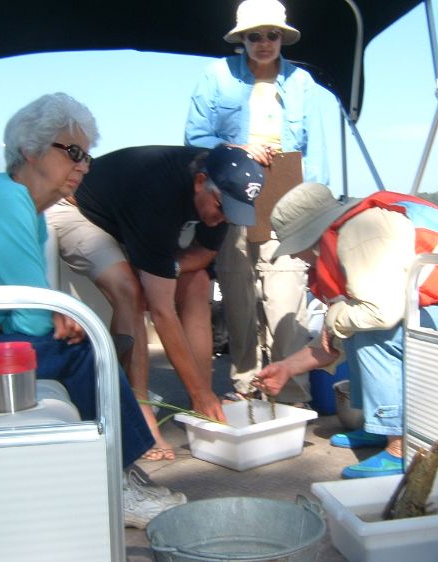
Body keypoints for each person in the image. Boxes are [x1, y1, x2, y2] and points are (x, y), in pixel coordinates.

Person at [0, 93, 184, 528]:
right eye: (74, 151)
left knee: (85, 345)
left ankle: (119, 471)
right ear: (31, 149)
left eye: (88, 157)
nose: (83, 165)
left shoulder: (19, 206)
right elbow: (32, 319)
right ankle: (116, 487)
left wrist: (56, 318)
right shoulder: (6, 203)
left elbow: (28, 308)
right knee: (88, 353)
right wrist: (59, 320)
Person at [254, 182, 438, 478]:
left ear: (310, 233)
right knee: (355, 323)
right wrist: (285, 368)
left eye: (295, 247)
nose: (296, 257)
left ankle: (399, 449)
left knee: (374, 329)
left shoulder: (360, 232)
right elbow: (334, 339)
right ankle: (378, 425)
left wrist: (334, 317)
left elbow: (381, 315)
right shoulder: (349, 231)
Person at [46, 144, 264, 458]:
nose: (224, 218)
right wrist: (156, 273)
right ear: (200, 181)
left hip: (130, 220)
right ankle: (138, 411)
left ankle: (201, 403)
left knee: (198, 282)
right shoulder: (158, 193)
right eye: (221, 207)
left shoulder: (221, 196)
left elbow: (203, 254)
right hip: (79, 211)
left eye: (234, 211)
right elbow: (162, 312)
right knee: (130, 291)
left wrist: (167, 268)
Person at [184, 0, 332, 406]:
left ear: (282, 38)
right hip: (229, 194)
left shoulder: (302, 82)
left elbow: (317, 153)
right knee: (237, 294)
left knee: (286, 294)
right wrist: (238, 147)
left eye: (272, 34)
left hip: (287, 194)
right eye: (255, 35)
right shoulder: (214, 77)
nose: (264, 42)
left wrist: (317, 212)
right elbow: (194, 140)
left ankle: (291, 392)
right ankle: (247, 384)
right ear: (241, 39)